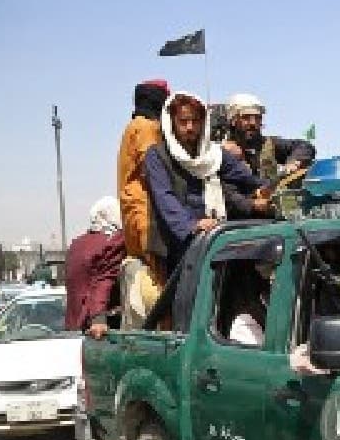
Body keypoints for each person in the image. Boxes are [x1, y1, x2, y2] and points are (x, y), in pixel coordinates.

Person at [144, 91, 272, 273]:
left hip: (213, 238)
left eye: (195, 121)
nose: (190, 127)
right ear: (172, 123)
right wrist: (191, 226)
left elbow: (245, 178)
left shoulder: (213, 154)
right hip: (177, 245)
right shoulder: (157, 156)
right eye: (183, 121)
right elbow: (165, 198)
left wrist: (269, 189)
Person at [116, 79, 170, 327]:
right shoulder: (147, 127)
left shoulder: (132, 126)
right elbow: (155, 168)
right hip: (146, 220)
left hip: (135, 220)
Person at [219, 93, 316, 183]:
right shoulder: (218, 149)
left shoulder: (268, 144)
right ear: (233, 121)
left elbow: (304, 146)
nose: (253, 123)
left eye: (258, 118)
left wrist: (294, 162)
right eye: (246, 117)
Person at [67, 197, 127, 339]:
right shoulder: (113, 242)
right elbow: (104, 280)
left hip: (74, 327)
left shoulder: (76, 244)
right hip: (98, 331)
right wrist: (98, 318)